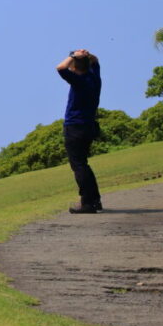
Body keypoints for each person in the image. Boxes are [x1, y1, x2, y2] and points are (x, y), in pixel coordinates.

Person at [56, 48, 102, 213]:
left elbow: (60, 68)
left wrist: (72, 56)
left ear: (75, 67)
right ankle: (95, 200)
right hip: (89, 126)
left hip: (75, 127)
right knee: (83, 164)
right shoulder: (94, 77)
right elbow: (95, 62)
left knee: (79, 166)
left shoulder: (79, 80)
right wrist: (85, 55)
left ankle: (88, 203)